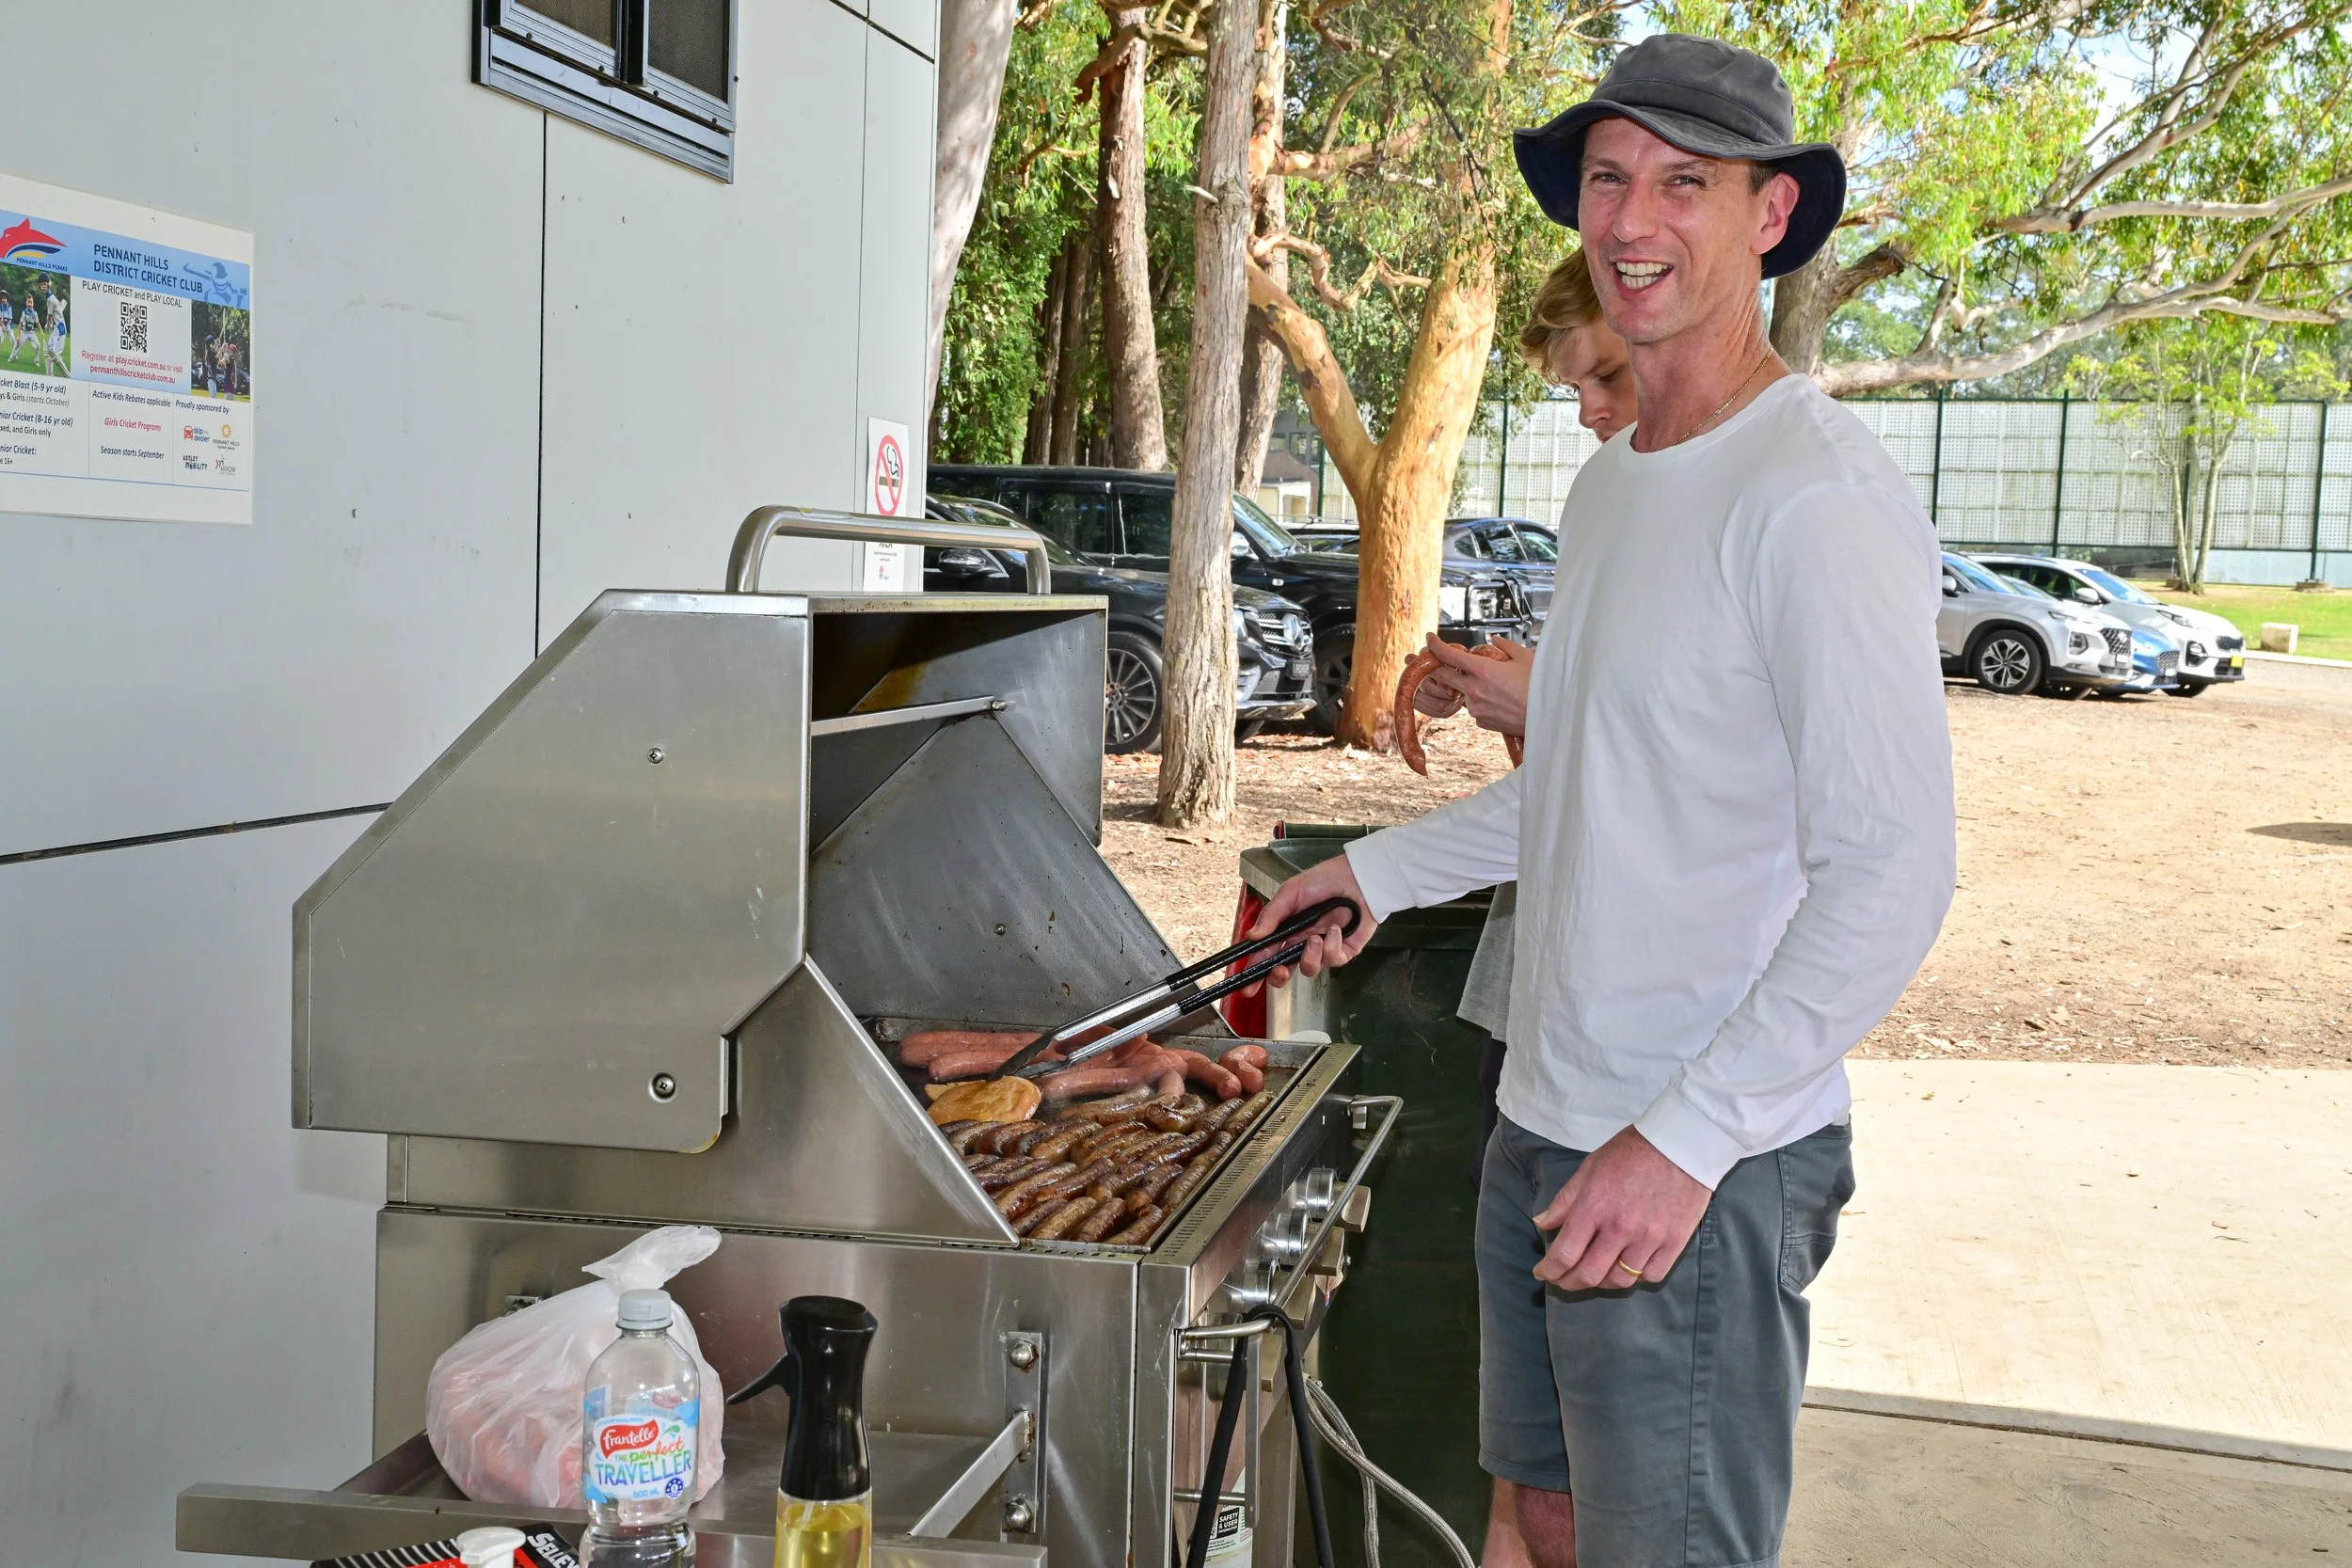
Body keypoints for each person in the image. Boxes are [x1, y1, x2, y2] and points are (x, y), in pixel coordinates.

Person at [1248, 33, 1955, 1568]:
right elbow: (1587, 775)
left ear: (1772, 216)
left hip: (1697, 1158)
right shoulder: (1620, 477)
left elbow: (1894, 871)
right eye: (1610, 179)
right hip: (1545, 1114)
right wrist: (1380, 870)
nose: (1632, 222)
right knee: (1540, 1519)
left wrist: (1686, 1139)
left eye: (1684, 184)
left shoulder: (1816, 496)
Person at [1408, 242, 1638, 1568]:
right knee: (1527, 1477)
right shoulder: (1609, 497)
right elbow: (1564, 776)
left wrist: (1535, 700)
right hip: (1537, 1035)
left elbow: (1662, 773)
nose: (1593, 411)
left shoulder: (1754, 498)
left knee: (1601, 1493)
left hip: (1633, 1077)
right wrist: (1506, 696)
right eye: (1574, 390)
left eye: (1607, 377)